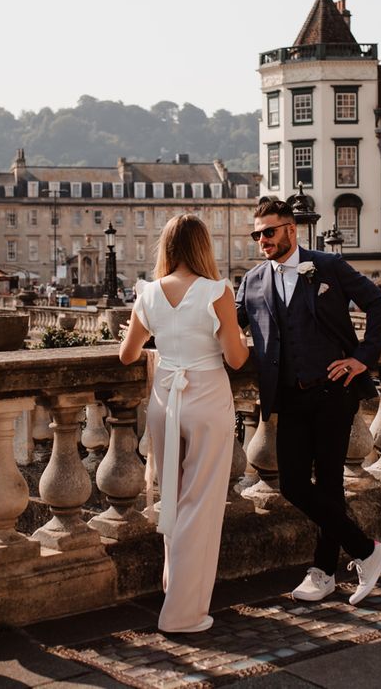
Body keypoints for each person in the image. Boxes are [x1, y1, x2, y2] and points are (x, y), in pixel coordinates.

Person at [235, 200, 381, 605]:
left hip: (332, 394)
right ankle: (366, 551)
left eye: (268, 232)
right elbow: (226, 325)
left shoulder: (328, 266)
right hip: (287, 397)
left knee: (328, 485)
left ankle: (323, 573)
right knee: (291, 483)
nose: (262, 241)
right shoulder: (252, 281)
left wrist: (362, 358)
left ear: (291, 230)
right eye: (256, 235)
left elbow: (378, 304)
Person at [119, 214, 248, 633]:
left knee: (171, 498)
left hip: (164, 399)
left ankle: (175, 592)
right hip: (207, 398)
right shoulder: (217, 291)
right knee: (201, 505)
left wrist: (159, 338)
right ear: (202, 247)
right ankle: (183, 613)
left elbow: (127, 354)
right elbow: (236, 359)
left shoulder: (148, 293)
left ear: (167, 247)